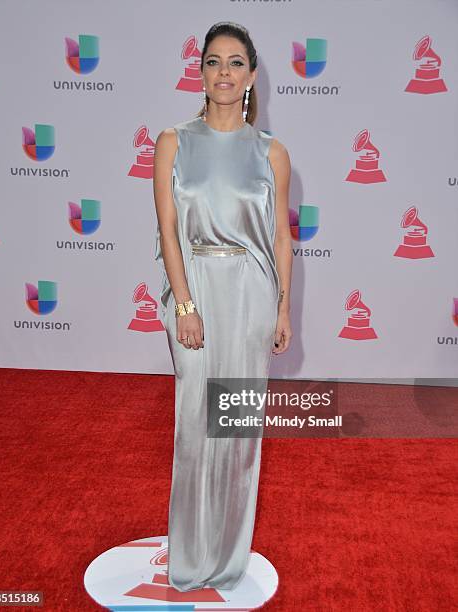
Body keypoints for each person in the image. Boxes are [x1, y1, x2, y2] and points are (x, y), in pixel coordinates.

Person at [153, 21, 292, 593]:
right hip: (196, 288)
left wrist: (283, 307)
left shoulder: (273, 152)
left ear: (252, 76)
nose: (225, 73)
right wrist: (184, 304)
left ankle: (229, 557)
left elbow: (281, 237)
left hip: (252, 291)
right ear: (201, 71)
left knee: (236, 429)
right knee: (194, 426)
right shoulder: (173, 141)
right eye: (213, 62)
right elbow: (167, 231)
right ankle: (188, 558)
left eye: (236, 63)